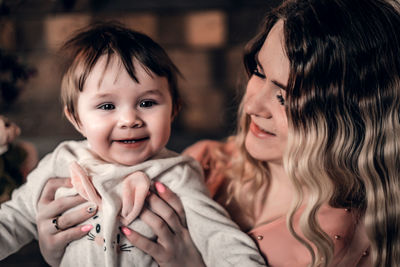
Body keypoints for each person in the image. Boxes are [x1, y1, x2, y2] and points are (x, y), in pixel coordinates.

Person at [36, 0, 400, 266]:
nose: (254, 105)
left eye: (285, 97)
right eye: (259, 72)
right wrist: (59, 249)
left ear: (350, 115)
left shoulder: (341, 241)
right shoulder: (207, 164)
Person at [0, 23, 267, 267]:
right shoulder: (62, 162)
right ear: (76, 118)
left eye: (147, 103)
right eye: (107, 106)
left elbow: (219, 238)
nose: (129, 119)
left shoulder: (176, 174)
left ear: (174, 109)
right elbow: (12, 220)